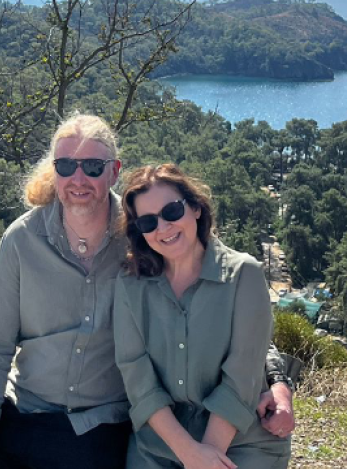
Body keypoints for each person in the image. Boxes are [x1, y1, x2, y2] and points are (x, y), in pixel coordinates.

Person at [0, 115, 294, 469]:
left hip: (102, 424)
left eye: (93, 167)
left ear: (113, 171)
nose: (78, 178)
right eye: (66, 165)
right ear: (55, 171)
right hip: (27, 409)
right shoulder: (21, 242)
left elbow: (226, 301)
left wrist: (277, 380)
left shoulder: (145, 238)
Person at [113, 164, 292, 469]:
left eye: (171, 211)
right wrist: (189, 453)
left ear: (195, 208)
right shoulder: (130, 285)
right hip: (159, 444)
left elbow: (242, 377)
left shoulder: (243, 274)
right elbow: (137, 377)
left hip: (241, 441)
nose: (164, 228)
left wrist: (205, 458)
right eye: (148, 222)